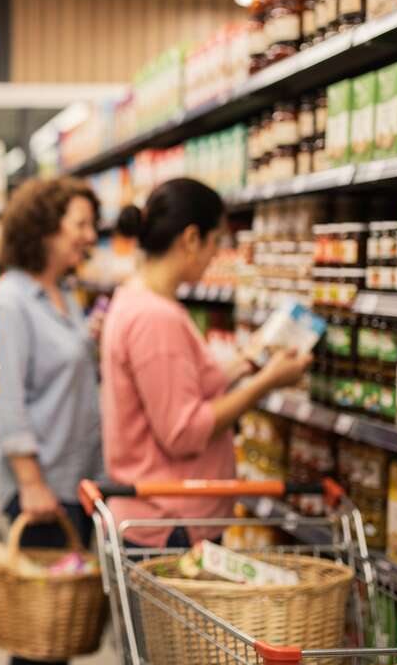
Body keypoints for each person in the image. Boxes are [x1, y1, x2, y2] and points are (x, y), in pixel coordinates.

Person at [100, 178, 312, 550]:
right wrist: (266, 383)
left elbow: (176, 387)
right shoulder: (156, 317)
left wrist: (246, 362)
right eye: (216, 241)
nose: (217, 254)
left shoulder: (136, 299)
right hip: (169, 523)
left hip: (158, 516)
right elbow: (183, 432)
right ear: (191, 238)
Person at [0, 175, 102, 665]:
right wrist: (31, 482)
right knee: (39, 639)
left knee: (59, 633)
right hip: (43, 487)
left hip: (76, 480)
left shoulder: (66, 293)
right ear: (45, 228)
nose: (90, 236)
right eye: (81, 224)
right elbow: (5, 398)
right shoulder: (12, 300)